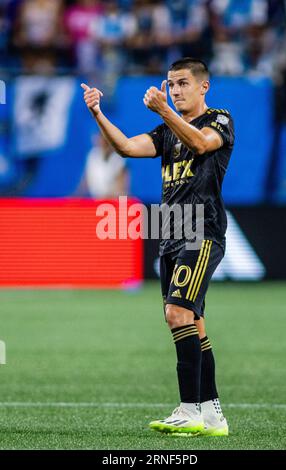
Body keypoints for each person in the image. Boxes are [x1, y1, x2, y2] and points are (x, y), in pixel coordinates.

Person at [81, 57, 234, 437]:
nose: (176, 90)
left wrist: (165, 110)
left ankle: (189, 410)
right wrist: (98, 113)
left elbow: (200, 145)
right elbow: (128, 149)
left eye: (182, 83)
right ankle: (213, 415)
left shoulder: (219, 120)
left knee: (176, 313)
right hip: (170, 235)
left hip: (201, 232)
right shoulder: (167, 132)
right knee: (193, 322)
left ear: (203, 86)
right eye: (171, 84)